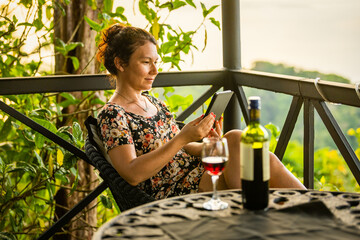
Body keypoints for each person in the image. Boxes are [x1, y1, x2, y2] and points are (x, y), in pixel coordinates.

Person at [96, 23, 305, 200]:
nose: (155, 70)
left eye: (156, 62)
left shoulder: (154, 104)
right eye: (146, 62)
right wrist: (182, 138)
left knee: (237, 142)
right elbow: (132, 173)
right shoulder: (113, 115)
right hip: (177, 191)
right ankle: (302, 212)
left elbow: (183, 149)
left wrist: (208, 144)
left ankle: (307, 203)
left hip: (197, 173)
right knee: (250, 163)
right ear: (120, 64)